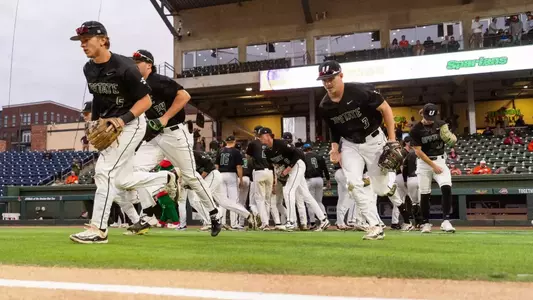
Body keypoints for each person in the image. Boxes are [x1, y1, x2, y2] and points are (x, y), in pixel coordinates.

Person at [68, 21, 178, 244]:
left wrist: (122, 119)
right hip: (109, 124)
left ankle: (99, 229)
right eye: (81, 41)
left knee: (104, 171)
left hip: (132, 124)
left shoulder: (125, 66)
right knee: (124, 181)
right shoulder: (89, 68)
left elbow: (146, 101)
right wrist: (96, 121)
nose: (83, 44)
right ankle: (165, 177)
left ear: (103, 40)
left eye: (86, 39)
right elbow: (98, 95)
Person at [128, 49, 222, 237]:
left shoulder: (158, 81)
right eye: (133, 62)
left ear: (149, 65)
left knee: (190, 177)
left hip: (174, 133)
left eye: (138, 62)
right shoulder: (136, 87)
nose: (134, 65)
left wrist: (164, 117)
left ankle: (214, 214)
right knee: (133, 171)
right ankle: (148, 213)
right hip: (154, 137)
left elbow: (184, 96)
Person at [317, 60, 406, 240]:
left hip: (373, 139)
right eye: (324, 79)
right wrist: (334, 149)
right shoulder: (325, 105)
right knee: (353, 183)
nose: (327, 83)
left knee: (380, 190)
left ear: (340, 76)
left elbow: (386, 110)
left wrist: (392, 140)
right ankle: (374, 226)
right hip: (349, 144)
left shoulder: (360, 91)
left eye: (330, 78)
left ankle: (389, 184)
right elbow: (333, 129)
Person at [258, 127, 330, 232]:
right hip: (291, 169)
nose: (259, 138)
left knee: (288, 191)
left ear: (267, 135)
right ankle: (324, 220)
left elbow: (299, 154)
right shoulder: (267, 151)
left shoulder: (280, 143)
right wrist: (278, 175)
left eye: (261, 136)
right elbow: (274, 165)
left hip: (297, 165)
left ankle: (291, 222)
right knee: (306, 195)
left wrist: (289, 167)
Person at [409, 103, 456, 234]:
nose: (429, 120)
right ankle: (425, 223)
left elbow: (451, 140)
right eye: (427, 117)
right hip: (424, 163)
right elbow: (418, 152)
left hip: (440, 160)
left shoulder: (441, 124)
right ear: (422, 113)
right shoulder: (415, 129)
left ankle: (446, 221)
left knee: (446, 187)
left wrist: (452, 139)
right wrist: (433, 166)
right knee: (424, 193)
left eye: (432, 117)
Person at [194, 150, 255, 230]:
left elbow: (209, 165)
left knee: (198, 199)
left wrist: (200, 178)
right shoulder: (182, 157)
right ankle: (247, 215)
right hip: (212, 177)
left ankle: (211, 221)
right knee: (224, 201)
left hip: (212, 175)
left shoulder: (195, 153)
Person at [216, 136, 248, 230]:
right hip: (231, 175)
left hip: (220, 175)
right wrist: (241, 179)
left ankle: (222, 222)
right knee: (234, 200)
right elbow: (238, 166)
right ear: (234, 142)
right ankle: (234, 223)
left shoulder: (220, 151)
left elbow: (216, 165)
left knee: (223, 200)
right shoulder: (236, 151)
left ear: (226, 142)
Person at [245, 126, 274, 230]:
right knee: (267, 200)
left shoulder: (253, 143)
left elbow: (247, 157)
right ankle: (267, 222)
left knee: (260, 199)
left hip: (259, 171)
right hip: (270, 172)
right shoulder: (270, 143)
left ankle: (264, 223)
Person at [303, 143, 330, 230]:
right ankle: (325, 217)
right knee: (319, 201)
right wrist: (328, 181)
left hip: (310, 180)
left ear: (304, 150)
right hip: (320, 180)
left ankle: (312, 222)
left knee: (310, 202)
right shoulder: (319, 156)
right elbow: (325, 169)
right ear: (311, 149)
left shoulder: (304, 157)